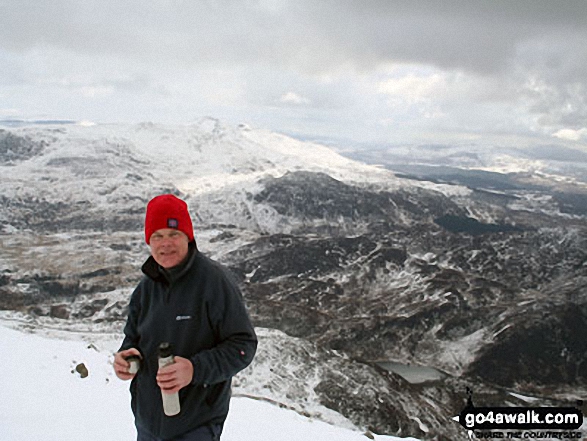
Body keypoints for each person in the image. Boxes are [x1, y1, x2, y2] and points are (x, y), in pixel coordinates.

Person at [114, 194, 257, 441]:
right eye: (157, 236)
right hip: (147, 422)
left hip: (196, 424)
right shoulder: (145, 289)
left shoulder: (214, 282)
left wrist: (194, 369)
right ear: (149, 241)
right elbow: (132, 340)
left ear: (188, 237)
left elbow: (243, 345)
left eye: (173, 234)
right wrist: (127, 357)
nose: (165, 243)